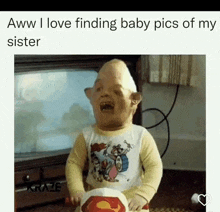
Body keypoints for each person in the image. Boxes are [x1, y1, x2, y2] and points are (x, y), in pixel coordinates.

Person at [65, 59, 163, 212]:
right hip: (94, 199)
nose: (105, 93)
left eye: (116, 91)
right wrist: (77, 191)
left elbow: (154, 167)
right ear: (90, 97)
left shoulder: (140, 135)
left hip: (131, 200)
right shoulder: (86, 135)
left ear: (134, 100)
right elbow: (73, 164)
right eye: (98, 89)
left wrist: (143, 195)